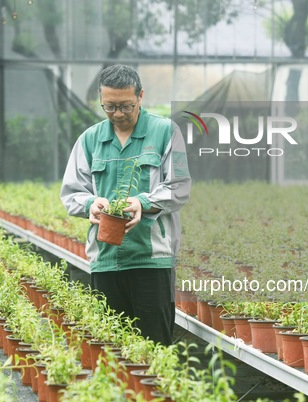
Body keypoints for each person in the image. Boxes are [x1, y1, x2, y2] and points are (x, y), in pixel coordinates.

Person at [60, 64, 191, 345]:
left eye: (125, 106)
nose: (117, 114)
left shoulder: (165, 132)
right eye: (109, 107)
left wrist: (143, 202)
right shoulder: (90, 140)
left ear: (140, 96)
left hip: (152, 258)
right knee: (110, 346)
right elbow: (72, 192)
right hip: (105, 259)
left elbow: (179, 187)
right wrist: (91, 204)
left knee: (154, 345)